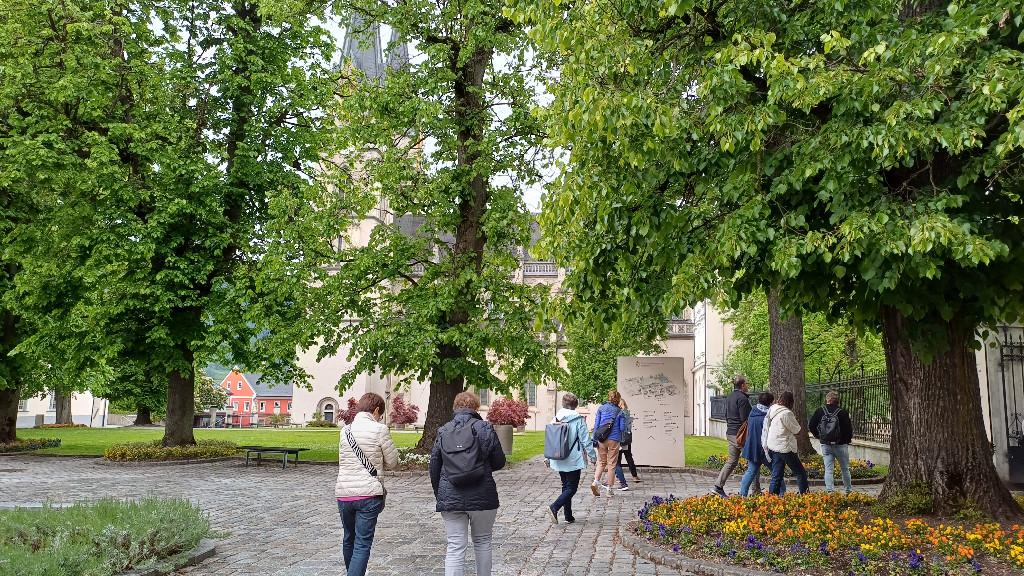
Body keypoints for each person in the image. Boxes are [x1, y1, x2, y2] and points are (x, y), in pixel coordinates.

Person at [430, 391, 506, 576]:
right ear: (476, 408)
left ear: (455, 408)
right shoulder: (485, 428)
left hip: (451, 496)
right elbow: (499, 461)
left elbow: (434, 466)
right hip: (482, 495)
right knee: (483, 542)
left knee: (455, 546)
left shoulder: (443, 430)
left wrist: (440, 494)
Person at [335, 392, 400, 576]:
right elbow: (393, 462)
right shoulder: (379, 429)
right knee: (362, 544)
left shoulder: (345, 430)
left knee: (349, 539)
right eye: (380, 413)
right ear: (377, 410)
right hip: (368, 494)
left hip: (344, 493)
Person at [547, 392, 597, 524]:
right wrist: (593, 456)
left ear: (563, 404)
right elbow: (586, 440)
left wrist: (548, 457)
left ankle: (568, 515)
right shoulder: (578, 420)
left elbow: (550, 439)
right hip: (573, 458)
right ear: (576, 405)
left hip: (558, 456)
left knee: (566, 485)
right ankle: (554, 507)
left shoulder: (555, 418)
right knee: (572, 488)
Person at [809, 390, 855, 494]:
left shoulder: (820, 411)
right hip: (841, 445)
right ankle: (848, 491)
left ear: (828, 399)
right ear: (837, 401)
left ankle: (830, 492)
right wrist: (846, 441)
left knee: (828, 469)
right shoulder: (843, 412)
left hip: (826, 444)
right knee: (845, 469)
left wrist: (818, 436)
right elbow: (849, 429)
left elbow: (811, 425)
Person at [764, 391, 809, 495]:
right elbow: (796, 429)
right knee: (800, 473)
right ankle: (805, 496)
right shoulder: (786, 413)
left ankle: (771, 498)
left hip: (774, 445)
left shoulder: (773, 408)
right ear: (790, 402)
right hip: (784, 447)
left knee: (777, 474)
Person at [713, 376, 752, 497]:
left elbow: (726, 415)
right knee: (754, 461)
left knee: (732, 461)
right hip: (740, 435)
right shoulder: (742, 399)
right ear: (742, 386)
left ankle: (718, 486)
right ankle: (755, 491)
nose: (748, 386)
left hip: (730, 432)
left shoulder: (729, 397)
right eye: (747, 384)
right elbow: (745, 419)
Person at [590, 389, 626, 497]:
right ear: (618, 399)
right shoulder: (620, 411)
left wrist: (595, 439)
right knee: (612, 464)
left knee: (601, 462)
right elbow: (622, 427)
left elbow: (596, 425)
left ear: (609, 397)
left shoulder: (601, 408)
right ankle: (609, 489)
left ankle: (595, 482)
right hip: (614, 440)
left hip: (602, 438)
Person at [738, 392, 773, 496]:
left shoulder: (753, 412)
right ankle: (781, 494)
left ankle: (742, 494)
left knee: (750, 472)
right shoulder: (768, 416)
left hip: (752, 448)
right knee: (776, 472)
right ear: (770, 402)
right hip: (765, 449)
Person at [613, 398, 642, 491]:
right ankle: (634, 476)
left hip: (619, 439)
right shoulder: (627, 413)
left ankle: (618, 477)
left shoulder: (618, 413)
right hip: (626, 439)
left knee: (618, 460)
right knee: (629, 456)